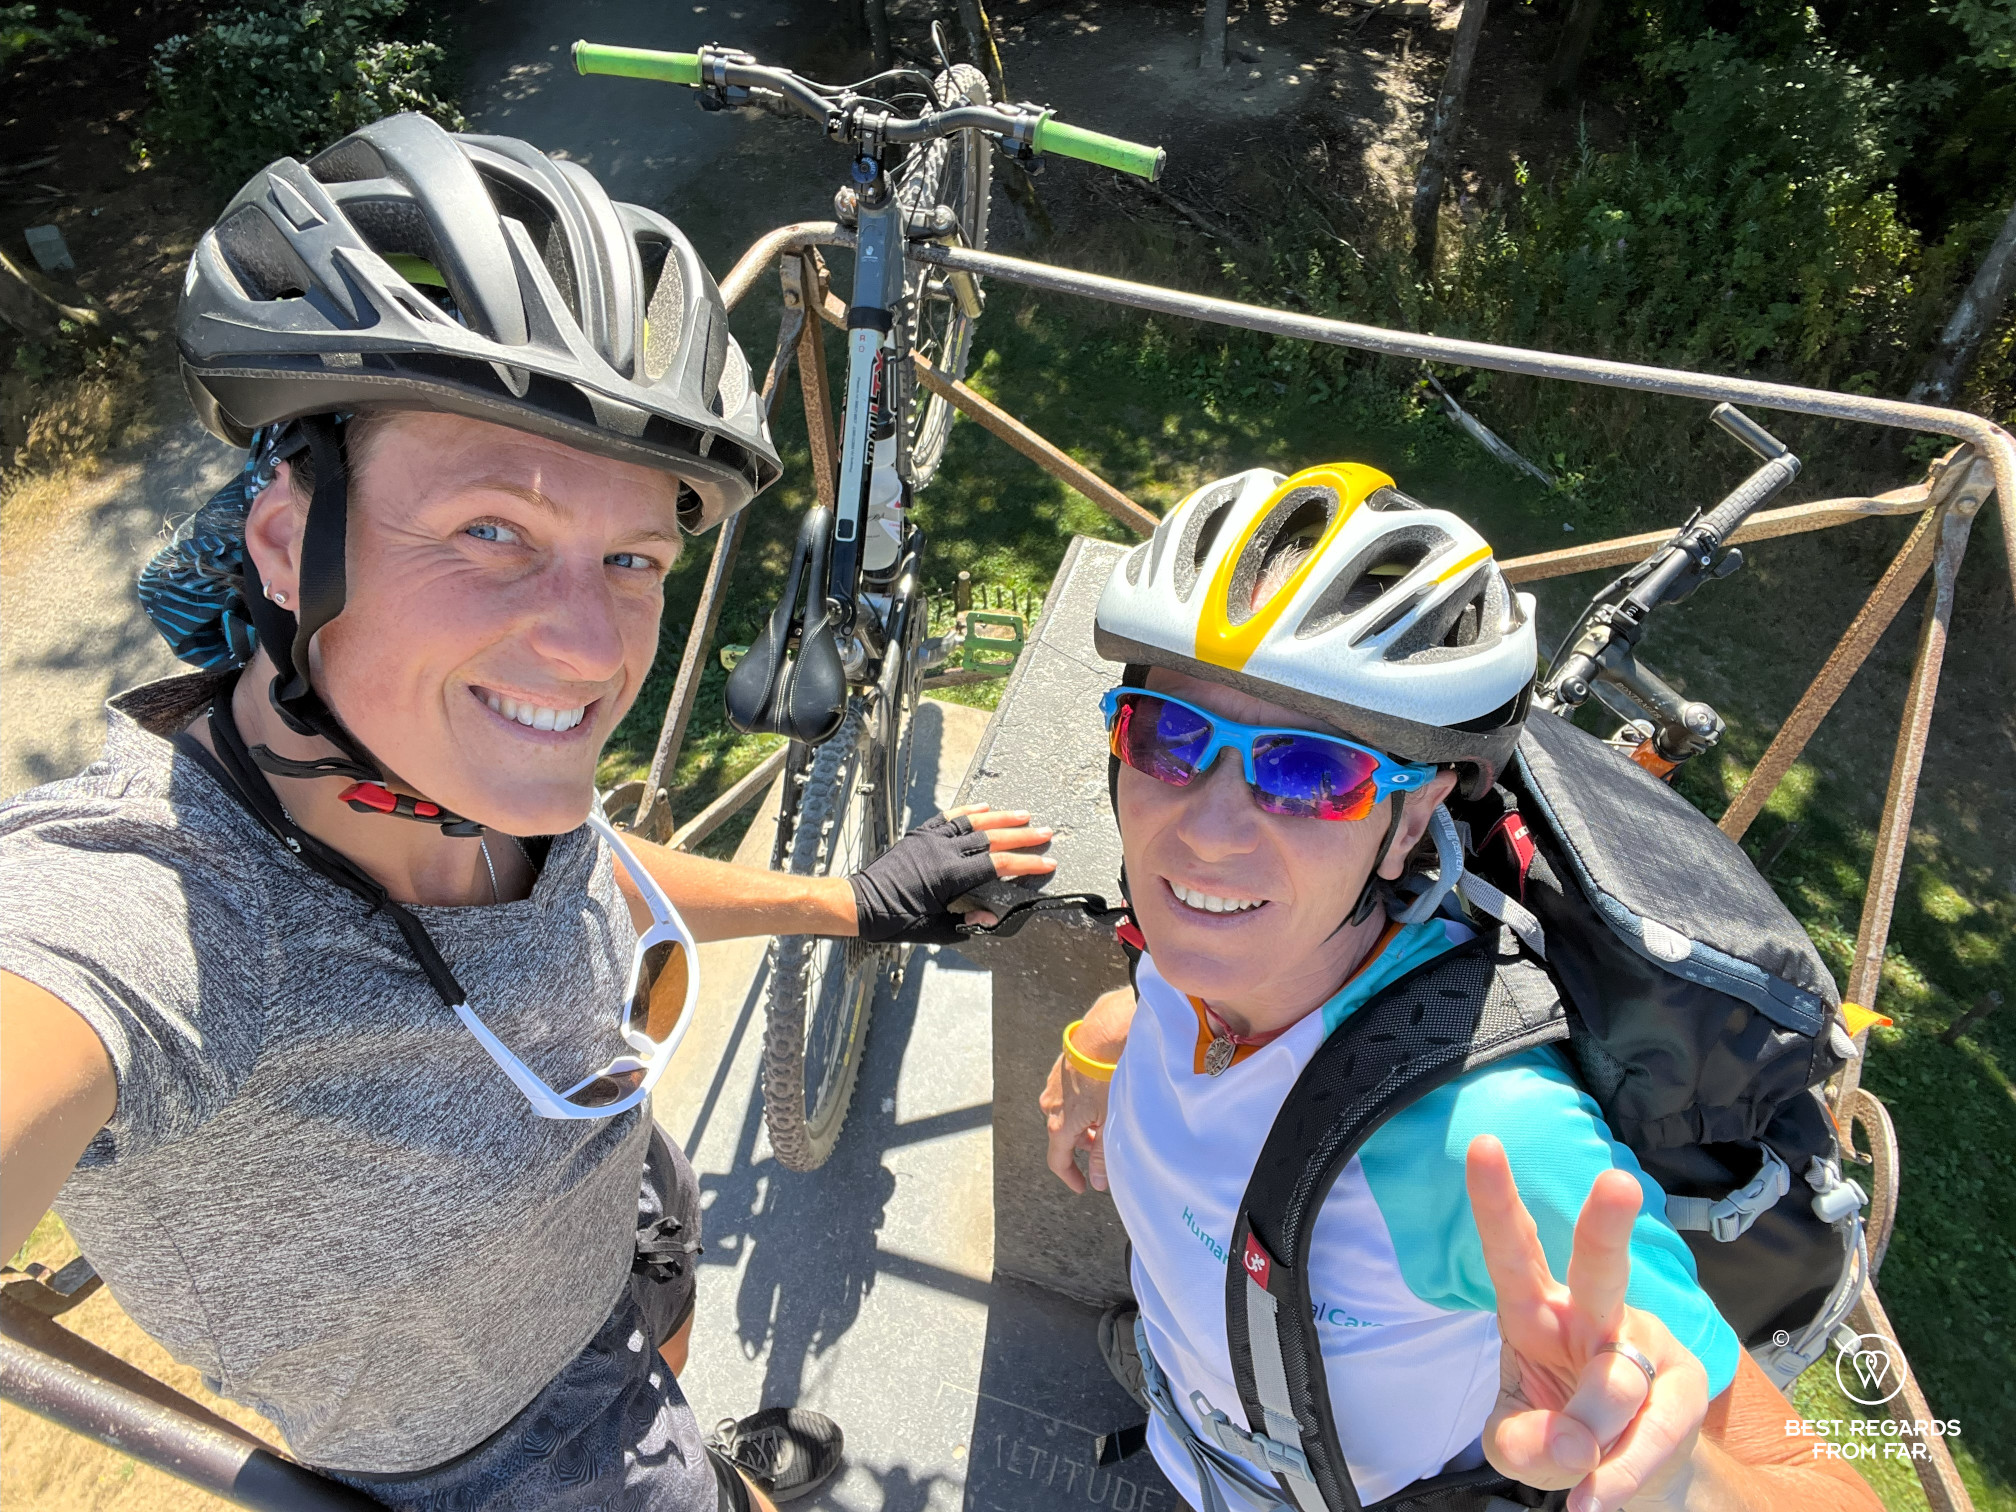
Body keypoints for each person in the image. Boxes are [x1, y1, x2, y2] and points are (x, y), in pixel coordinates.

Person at [0, 115, 1054, 1511]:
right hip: (523, 1459)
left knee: (667, 1336)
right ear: (286, 540)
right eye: (491, 530)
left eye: (633, 558)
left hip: (621, 1221)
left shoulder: (448, 767)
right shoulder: (150, 914)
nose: (589, 648)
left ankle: (695, 1424)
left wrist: (847, 903)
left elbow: (590, 868)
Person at [1038, 464, 1882, 1512]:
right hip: (1198, 1432)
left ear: (1408, 822)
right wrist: (1107, 1033)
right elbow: (1194, 1013)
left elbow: (1821, 1487)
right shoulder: (1220, 940)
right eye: (1167, 736)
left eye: (1308, 774)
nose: (1207, 832)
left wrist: (1676, 1478)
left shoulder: (1488, 1141)